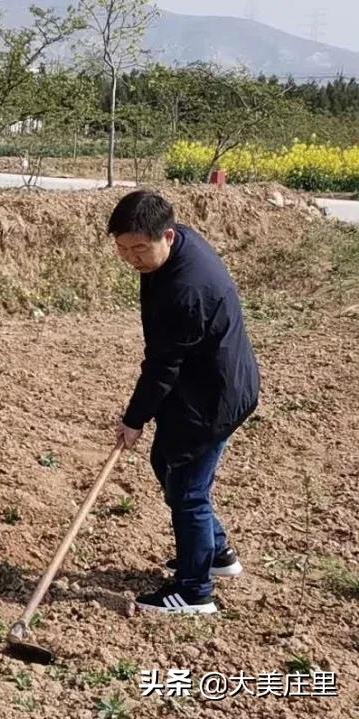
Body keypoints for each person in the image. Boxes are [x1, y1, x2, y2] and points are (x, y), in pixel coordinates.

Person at [109, 190, 260, 615]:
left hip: (213, 394)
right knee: (171, 467)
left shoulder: (186, 290)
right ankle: (216, 554)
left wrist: (134, 419)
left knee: (187, 487)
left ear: (168, 236)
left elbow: (162, 366)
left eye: (139, 249)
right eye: (122, 249)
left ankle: (195, 591)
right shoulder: (174, 250)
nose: (131, 258)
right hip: (204, 379)